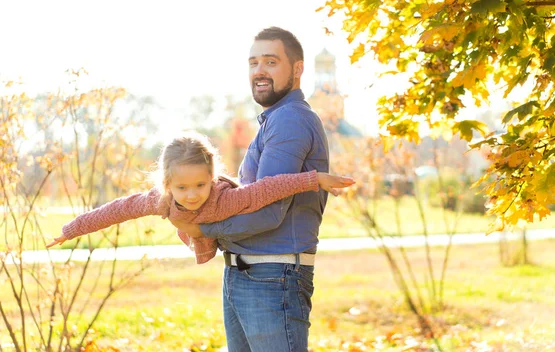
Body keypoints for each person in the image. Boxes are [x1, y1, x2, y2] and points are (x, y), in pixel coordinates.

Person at [172, 27, 331, 352]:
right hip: (249, 274)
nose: (259, 71)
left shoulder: (290, 120)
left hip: (272, 277)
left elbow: (267, 211)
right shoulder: (273, 120)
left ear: (298, 68)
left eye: (271, 62)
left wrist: (203, 229)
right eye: (253, 62)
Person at [46, 133, 353, 265]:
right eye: (182, 188)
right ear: (167, 184)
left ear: (211, 177)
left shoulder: (226, 199)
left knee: (237, 213)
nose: (192, 195)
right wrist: (70, 230)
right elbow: (116, 211)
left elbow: (269, 188)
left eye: (200, 185)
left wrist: (315, 179)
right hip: (195, 234)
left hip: (233, 235)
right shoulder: (160, 200)